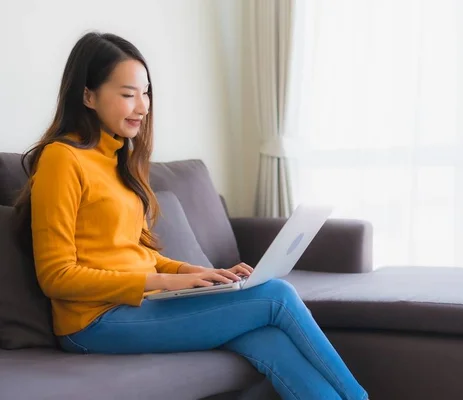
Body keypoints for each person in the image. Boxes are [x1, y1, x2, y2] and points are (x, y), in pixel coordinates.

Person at [13, 32, 368, 400]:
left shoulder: (120, 160)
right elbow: (56, 277)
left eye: (145, 92)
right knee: (276, 295)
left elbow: (133, 253)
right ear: (88, 96)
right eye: (127, 94)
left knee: (268, 340)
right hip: (91, 323)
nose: (142, 106)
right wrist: (161, 284)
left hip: (136, 306)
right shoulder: (62, 159)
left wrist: (193, 273)